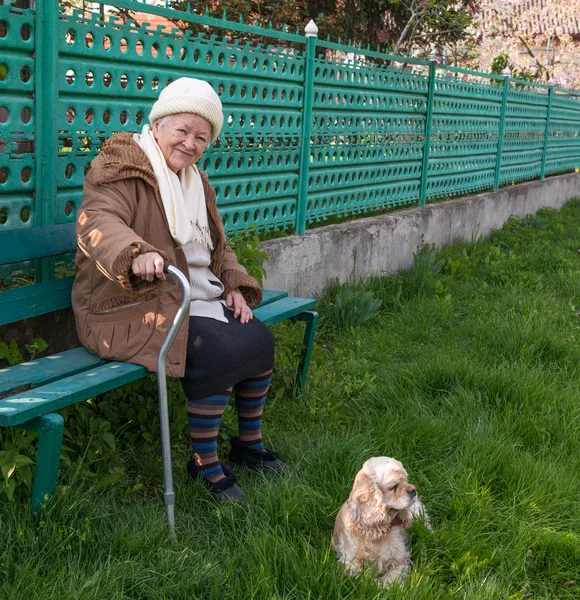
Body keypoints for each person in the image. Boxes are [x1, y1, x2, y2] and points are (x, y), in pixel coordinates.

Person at [72, 77, 286, 502]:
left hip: (191, 293)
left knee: (259, 340)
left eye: (201, 137)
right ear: (159, 125)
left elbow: (215, 247)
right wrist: (134, 251)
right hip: (129, 300)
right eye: (182, 131)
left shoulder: (195, 182)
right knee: (213, 348)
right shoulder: (118, 166)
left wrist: (235, 285)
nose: (190, 143)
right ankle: (204, 464)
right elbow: (97, 221)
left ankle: (248, 446)